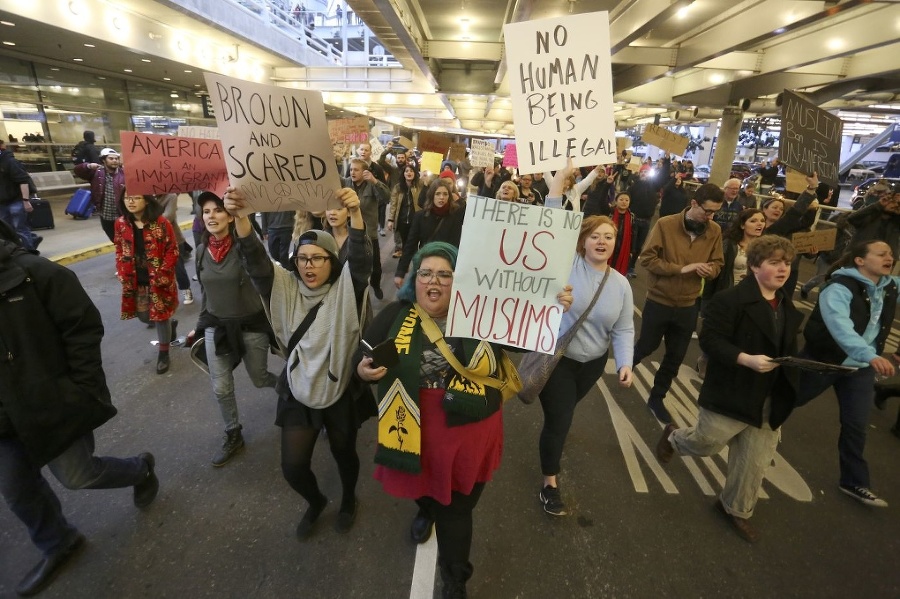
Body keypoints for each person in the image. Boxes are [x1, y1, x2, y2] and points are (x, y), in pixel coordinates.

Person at [357, 242, 555, 598]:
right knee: (427, 494)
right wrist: (364, 371)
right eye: (426, 273)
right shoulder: (395, 315)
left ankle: (455, 580)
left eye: (444, 274)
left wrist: (552, 307)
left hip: (469, 427)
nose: (434, 281)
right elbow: (365, 354)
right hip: (412, 427)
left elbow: (529, 340)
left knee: (457, 510)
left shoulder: (483, 315)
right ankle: (426, 507)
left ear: (459, 280)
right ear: (415, 280)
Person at [0, 219, 159, 597]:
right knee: (18, 489)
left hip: (50, 405)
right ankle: (58, 543)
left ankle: (140, 469)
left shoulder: (36, 275)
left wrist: (80, 393)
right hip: (4, 418)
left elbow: (83, 330)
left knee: (79, 476)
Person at [224, 185, 372, 539]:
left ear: (332, 261)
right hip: (298, 387)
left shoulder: (346, 290)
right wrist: (241, 219)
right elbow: (257, 263)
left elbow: (362, 261)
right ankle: (316, 501)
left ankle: (349, 497)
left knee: (343, 452)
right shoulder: (284, 287)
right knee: (292, 467)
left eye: (317, 258)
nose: (308, 265)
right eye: (303, 258)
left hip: (338, 388)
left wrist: (355, 215)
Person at [656, 235, 803, 543]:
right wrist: (744, 358)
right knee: (707, 443)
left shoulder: (786, 304)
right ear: (753, 266)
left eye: (786, 263)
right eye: (774, 263)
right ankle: (674, 436)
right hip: (733, 389)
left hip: (769, 399)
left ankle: (735, 509)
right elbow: (710, 340)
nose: (782, 269)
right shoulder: (730, 300)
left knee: (754, 461)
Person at [533, 215, 633, 516]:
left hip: (593, 364)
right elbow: (549, 233)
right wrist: (552, 299)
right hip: (558, 360)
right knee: (559, 420)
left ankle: (557, 428)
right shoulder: (565, 267)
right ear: (582, 241)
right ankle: (550, 483)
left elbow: (624, 328)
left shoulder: (621, 284)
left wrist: (625, 362)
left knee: (566, 411)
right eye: (595, 236)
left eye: (608, 236)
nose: (602, 242)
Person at [796, 240, 898, 507]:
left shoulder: (890, 287)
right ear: (860, 261)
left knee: (856, 425)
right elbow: (840, 328)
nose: (889, 257)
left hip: (860, 369)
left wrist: (867, 358)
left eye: (890, 254)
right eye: (881, 254)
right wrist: (871, 355)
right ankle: (746, 432)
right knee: (785, 400)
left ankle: (854, 482)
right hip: (825, 361)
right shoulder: (839, 288)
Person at [190, 192, 278, 467]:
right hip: (216, 328)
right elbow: (205, 293)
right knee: (221, 387)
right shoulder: (202, 251)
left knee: (260, 378)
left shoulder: (244, 249)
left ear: (230, 216)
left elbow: (263, 269)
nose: (212, 216)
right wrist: (199, 326)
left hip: (250, 324)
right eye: (206, 211)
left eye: (218, 210)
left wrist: (244, 222)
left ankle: (292, 391)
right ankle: (233, 433)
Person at [632, 183, 725, 424]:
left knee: (675, 357)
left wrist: (710, 270)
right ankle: (626, 365)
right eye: (707, 211)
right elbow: (648, 259)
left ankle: (657, 397)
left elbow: (718, 263)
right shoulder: (666, 224)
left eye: (715, 212)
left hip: (688, 304)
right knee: (646, 346)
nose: (710, 217)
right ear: (694, 203)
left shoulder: (713, 230)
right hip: (659, 300)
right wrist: (682, 269)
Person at [114, 193, 179, 374]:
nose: (131, 201)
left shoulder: (161, 223)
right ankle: (169, 324)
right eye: (127, 198)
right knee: (144, 317)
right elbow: (119, 247)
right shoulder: (121, 223)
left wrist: (163, 273)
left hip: (159, 280)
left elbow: (172, 249)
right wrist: (120, 268)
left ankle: (163, 353)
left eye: (136, 197)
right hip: (136, 280)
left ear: (147, 200)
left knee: (160, 316)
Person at [394, 179, 465, 288]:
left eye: (445, 194)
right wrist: (400, 272)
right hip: (424, 265)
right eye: (438, 194)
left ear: (449, 197)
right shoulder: (420, 217)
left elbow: (454, 246)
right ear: (432, 196)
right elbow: (410, 245)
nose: (442, 197)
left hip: (445, 267)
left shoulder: (455, 218)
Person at [347, 157, 390, 299]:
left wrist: (375, 181)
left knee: (375, 266)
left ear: (364, 172)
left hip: (369, 233)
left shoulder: (371, 185)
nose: (352, 172)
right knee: (351, 265)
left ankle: (376, 285)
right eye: (351, 169)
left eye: (356, 170)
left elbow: (386, 198)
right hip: (351, 233)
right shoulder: (346, 183)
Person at [75, 148, 126, 243]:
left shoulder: (124, 173)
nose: (115, 161)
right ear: (103, 160)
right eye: (111, 159)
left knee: (126, 241)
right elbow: (78, 170)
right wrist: (88, 166)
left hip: (122, 215)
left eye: (116, 159)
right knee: (115, 241)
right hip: (105, 216)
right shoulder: (96, 173)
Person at [157, 193, 194, 304]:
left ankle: (186, 289)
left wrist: (149, 217)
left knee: (178, 267)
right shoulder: (145, 197)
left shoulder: (170, 196)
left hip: (173, 238)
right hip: (155, 240)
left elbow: (169, 216)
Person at [0, 139, 36, 251]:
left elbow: (23, 181)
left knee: (20, 228)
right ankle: (17, 252)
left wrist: (26, 200)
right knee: (7, 230)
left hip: (16, 200)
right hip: (2, 203)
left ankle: (30, 252)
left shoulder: (10, 162)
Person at [387, 164, 423, 259]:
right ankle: (404, 264)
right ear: (403, 174)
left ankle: (414, 265)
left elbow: (430, 184)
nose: (409, 173)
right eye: (406, 171)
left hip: (415, 220)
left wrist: (427, 176)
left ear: (415, 173)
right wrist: (391, 219)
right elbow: (393, 204)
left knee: (413, 244)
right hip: (402, 220)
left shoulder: (419, 185)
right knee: (404, 243)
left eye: (411, 171)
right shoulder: (398, 187)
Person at [608, 192, 635, 275]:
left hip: (622, 249)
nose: (624, 202)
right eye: (621, 199)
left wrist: (631, 250)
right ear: (616, 201)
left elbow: (633, 234)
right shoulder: (609, 213)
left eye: (627, 200)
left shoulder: (631, 217)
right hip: (609, 246)